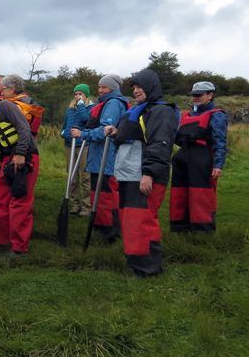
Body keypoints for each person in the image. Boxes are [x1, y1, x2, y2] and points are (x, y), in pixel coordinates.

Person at [105, 69, 179, 277]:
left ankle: (148, 268)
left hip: (144, 175)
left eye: (140, 87)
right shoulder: (142, 110)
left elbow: (160, 143)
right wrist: (117, 131)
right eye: (135, 88)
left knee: (142, 221)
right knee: (131, 221)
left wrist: (149, 174)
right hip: (129, 174)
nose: (136, 91)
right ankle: (137, 263)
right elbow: (137, 136)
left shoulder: (161, 112)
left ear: (151, 87)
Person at [0, 74, 40, 257]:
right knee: (0, 200)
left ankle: (19, 248)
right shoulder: (7, 107)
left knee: (20, 202)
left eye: (3, 88)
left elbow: (24, 130)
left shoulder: (17, 106)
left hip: (23, 157)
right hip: (8, 157)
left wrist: (21, 153)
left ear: (12, 90)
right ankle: (1, 242)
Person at [71, 74, 129, 242]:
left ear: (114, 89)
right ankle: (101, 228)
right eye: (100, 87)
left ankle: (111, 233)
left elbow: (107, 130)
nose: (101, 90)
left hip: (107, 157)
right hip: (98, 157)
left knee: (107, 197)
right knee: (99, 195)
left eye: (105, 87)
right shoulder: (105, 103)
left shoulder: (113, 104)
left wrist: (84, 134)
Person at [169, 81, 227, 233]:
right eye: (193, 95)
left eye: (199, 95)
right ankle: (180, 228)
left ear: (210, 95)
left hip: (203, 158)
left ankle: (202, 231)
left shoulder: (216, 115)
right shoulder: (187, 115)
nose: (195, 98)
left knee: (200, 195)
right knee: (179, 193)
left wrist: (218, 164)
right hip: (182, 157)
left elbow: (220, 141)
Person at [60, 84, 94, 216]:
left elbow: (86, 119)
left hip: (84, 144)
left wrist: (81, 106)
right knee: (72, 176)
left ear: (86, 95)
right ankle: (75, 204)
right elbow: (65, 123)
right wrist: (64, 133)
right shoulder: (70, 109)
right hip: (69, 144)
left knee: (86, 177)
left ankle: (86, 206)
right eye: (76, 94)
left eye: (80, 94)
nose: (77, 96)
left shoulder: (91, 108)